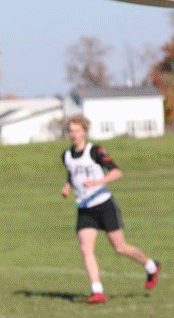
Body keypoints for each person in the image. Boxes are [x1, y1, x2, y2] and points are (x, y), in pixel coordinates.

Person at [60, 115, 160, 304]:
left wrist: (97, 182)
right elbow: (72, 174)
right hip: (85, 208)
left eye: (77, 131)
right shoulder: (66, 155)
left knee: (120, 247)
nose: (74, 134)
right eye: (71, 131)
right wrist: (67, 186)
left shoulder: (95, 151)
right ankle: (97, 291)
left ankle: (151, 266)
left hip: (104, 205)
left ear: (84, 132)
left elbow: (117, 172)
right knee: (85, 248)